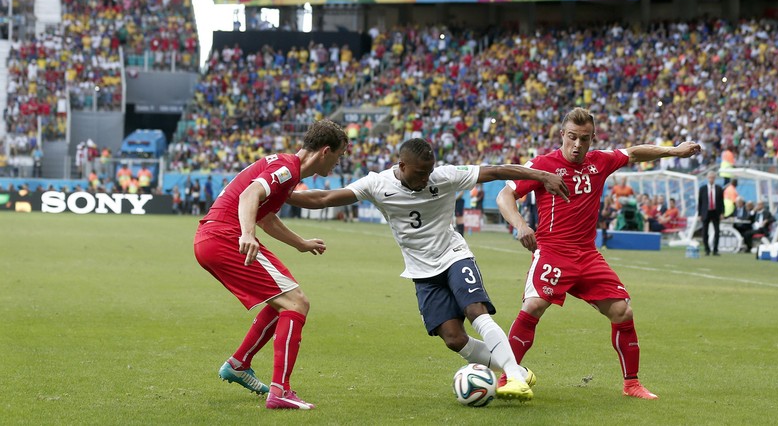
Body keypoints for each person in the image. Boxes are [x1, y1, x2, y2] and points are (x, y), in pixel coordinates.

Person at [287, 138, 571, 402]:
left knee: (476, 311)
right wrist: (279, 194)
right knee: (453, 339)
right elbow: (323, 198)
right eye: (420, 173)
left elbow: (495, 171)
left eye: (429, 172)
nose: (426, 178)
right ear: (402, 166)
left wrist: (541, 175)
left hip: (455, 256)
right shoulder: (377, 184)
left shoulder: (444, 176)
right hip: (422, 271)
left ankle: (514, 379)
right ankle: (518, 371)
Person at [495, 107, 700, 401]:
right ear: (562, 135)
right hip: (553, 252)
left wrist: (674, 151)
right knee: (534, 305)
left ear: (592, 138)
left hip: (588, 255)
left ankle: (632, 385)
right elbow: (505, 194)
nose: (578, 145)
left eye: (585, 139)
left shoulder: (600, 162)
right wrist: (521, 225)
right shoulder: (541, 165)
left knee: (622, 311)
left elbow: (633, 153)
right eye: (572, 138)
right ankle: (508, 378)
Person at [193, 120, 349, 410]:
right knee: (296, 303)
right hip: (225, 236)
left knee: (284, 300)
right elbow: (249, 195)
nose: (339, 162)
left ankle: (239, 364)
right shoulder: (288, 168)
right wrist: (247, 234)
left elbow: (265, 217)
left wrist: (300, 243)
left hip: (214, 237)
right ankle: (280, 392)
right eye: (340, 155)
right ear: (325, 151)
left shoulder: (285, 169)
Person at [698, 171, 725, 256]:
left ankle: (715, 250)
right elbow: (700, 202)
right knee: (705, 232)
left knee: (717, 232)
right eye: (710, 177)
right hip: (706, 212)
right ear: (707, 178)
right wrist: (699, 214)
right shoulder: (702, 189)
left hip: (715, 212)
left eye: (713, 177)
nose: (711, 179)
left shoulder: (719, 188)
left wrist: (722, 213)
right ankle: (707, 249)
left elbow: (721, 202)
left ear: (715, 178)